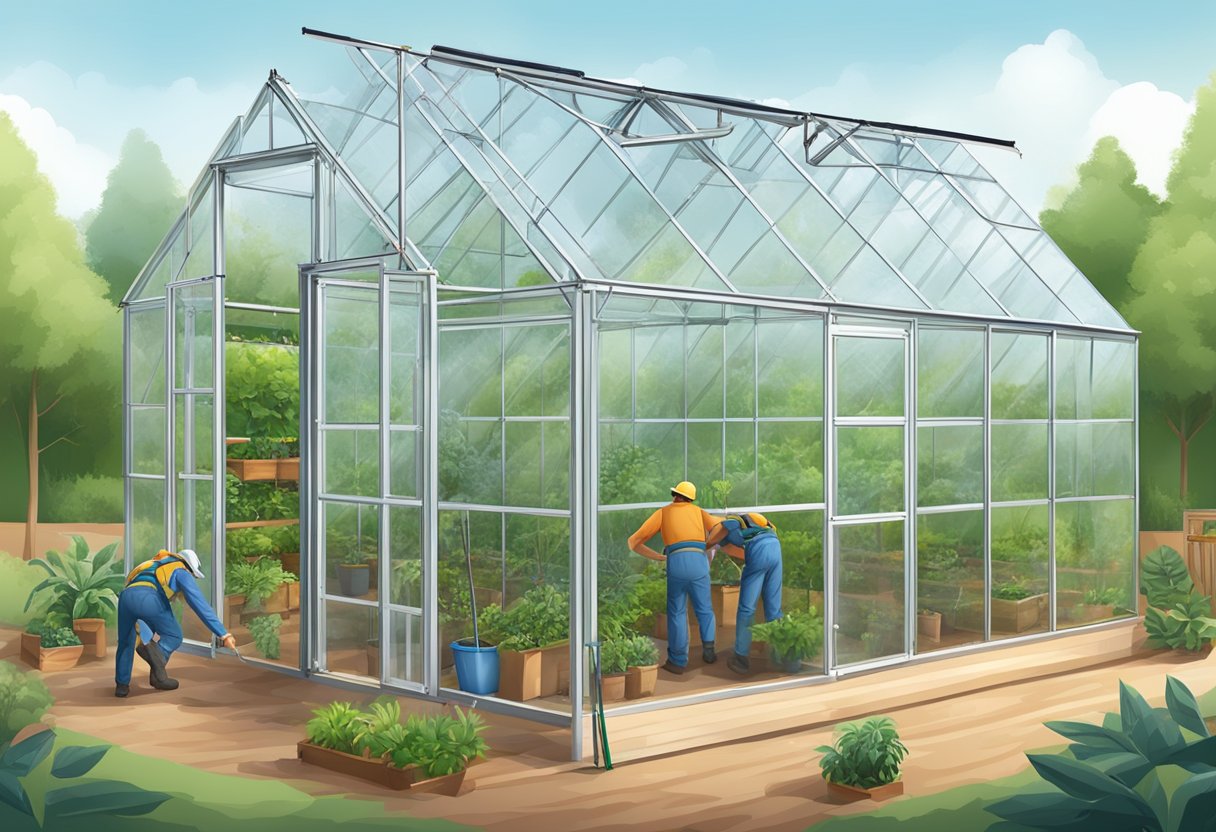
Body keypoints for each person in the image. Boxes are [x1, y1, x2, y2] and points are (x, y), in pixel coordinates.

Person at [115, 548, 236, 698]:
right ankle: (157, 667)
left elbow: (133, 588)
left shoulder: (153, 564)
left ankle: (122, 685)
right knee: (174, 635)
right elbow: (199, 604)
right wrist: (223, 634)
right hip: (149, 596)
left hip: (125, 597)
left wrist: (145, 639)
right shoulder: (181, 571)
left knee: (127, 641)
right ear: (190, 568)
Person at [627, 481, 718, 674]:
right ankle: (709, 649)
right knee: (704, 608)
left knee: (677, 612)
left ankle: (678, 661)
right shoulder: (700, 513)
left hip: (676, 561)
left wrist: (659, 556)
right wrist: (706, 545)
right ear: (691, 499)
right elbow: (720, 528)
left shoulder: (663, 512)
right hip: (698, 560)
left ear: (674, 495)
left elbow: (634, 541)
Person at [707, 512, 783, 675]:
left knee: (747, 609)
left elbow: (713, 538)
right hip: (775, 547)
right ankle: (780, 655)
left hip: (759, 548)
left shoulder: (729, 522)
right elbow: (733, 550)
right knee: (773, 607)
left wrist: (702, 546)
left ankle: (741, 658)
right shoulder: (749, 523)